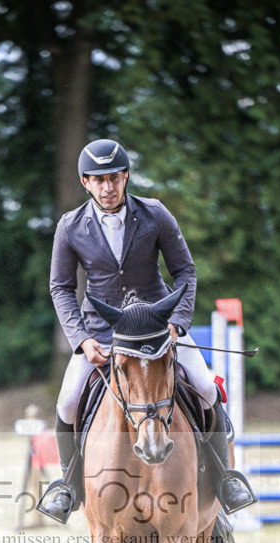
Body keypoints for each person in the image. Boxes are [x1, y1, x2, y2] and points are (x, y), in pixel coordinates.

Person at [37, 138, 256, 523]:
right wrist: (82, 340)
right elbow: (61, 287)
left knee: (205, 387)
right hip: (102, 333)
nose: (108, 188)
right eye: (99, 180)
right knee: (68, 401)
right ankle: (68, 486)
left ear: (125, 177)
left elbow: (186, 271)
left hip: (158, 330)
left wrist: (177, 323)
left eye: (115, 178)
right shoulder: (70, 226)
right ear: (86, 182)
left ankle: (225, 479)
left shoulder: (154, 214)